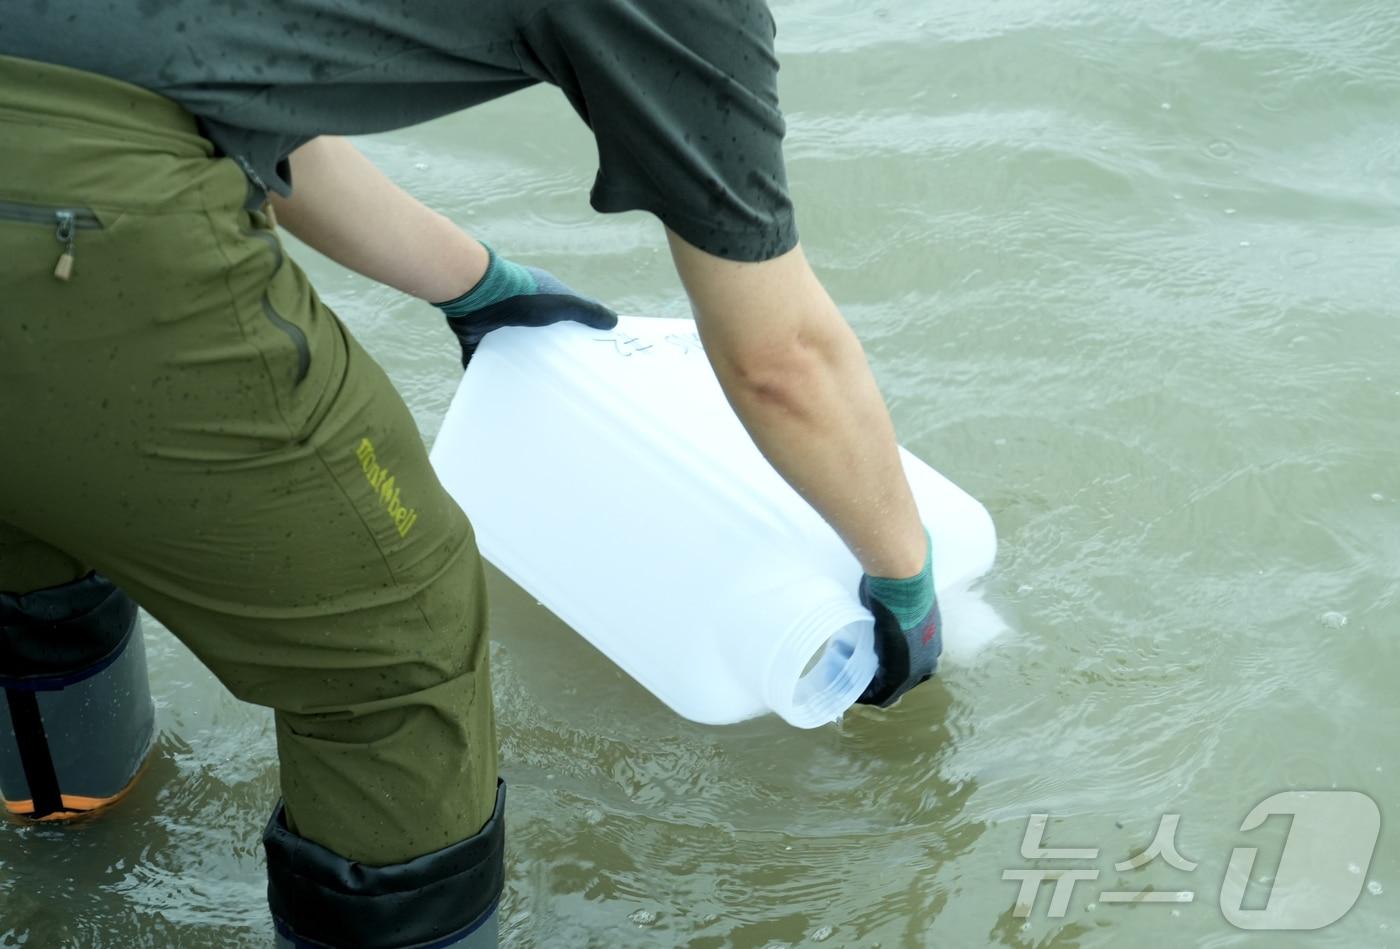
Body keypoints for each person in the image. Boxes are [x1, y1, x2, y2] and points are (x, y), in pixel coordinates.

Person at [0, 1, 942, 946]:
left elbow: (211, 87)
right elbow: (781, 361)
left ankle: (58, 832)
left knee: (36, 510)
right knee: (394, 640)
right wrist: (905, 579)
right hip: (77, 219)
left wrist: (474, 281)